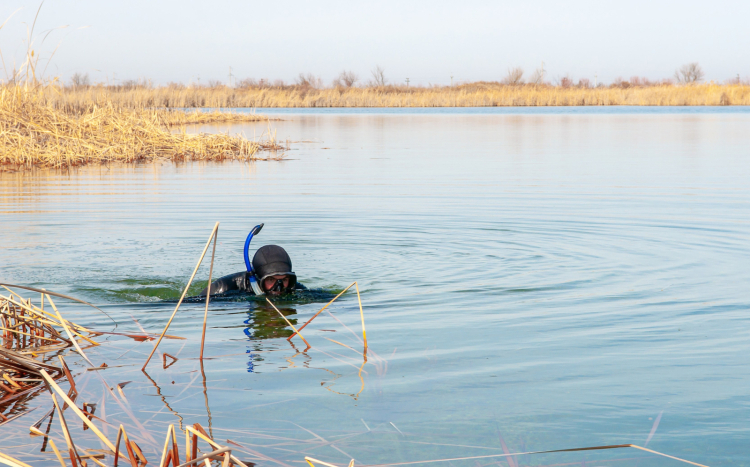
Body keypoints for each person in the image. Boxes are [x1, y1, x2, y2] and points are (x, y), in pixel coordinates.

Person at [199, 245, 305, 297]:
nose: (279, 287)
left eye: (284, 279)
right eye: (271, 279)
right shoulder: (222, 287)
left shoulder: (290, 286)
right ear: (257, 278)